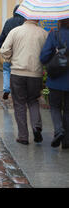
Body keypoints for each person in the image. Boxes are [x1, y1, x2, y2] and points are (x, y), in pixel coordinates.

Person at [0, 19, 48, 145]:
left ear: (25, 18)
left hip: (17, 73)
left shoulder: (15, 31)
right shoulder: (43, 33)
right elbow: (48, 53)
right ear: (37, 19)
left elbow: (4, 49)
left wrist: (9, 58)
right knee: (33, 100)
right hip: (35, 73)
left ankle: (23, 136)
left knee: (19, 103)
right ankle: (36, 127)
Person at [40, 18, 69, 149]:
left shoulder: (55, 34)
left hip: (56, 78)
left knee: (55, 106)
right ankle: (67, 141)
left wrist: (54, 56)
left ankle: (59, 130)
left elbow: (44, 56)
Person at [0, 5, 25, 100]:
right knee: (19, 73)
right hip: (21, 53)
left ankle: (6, 89)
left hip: (8, 52)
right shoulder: (24, 23)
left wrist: (1, 47)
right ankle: (18, 91)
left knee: (6, 70)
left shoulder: (8, 21)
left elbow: (2, 37)